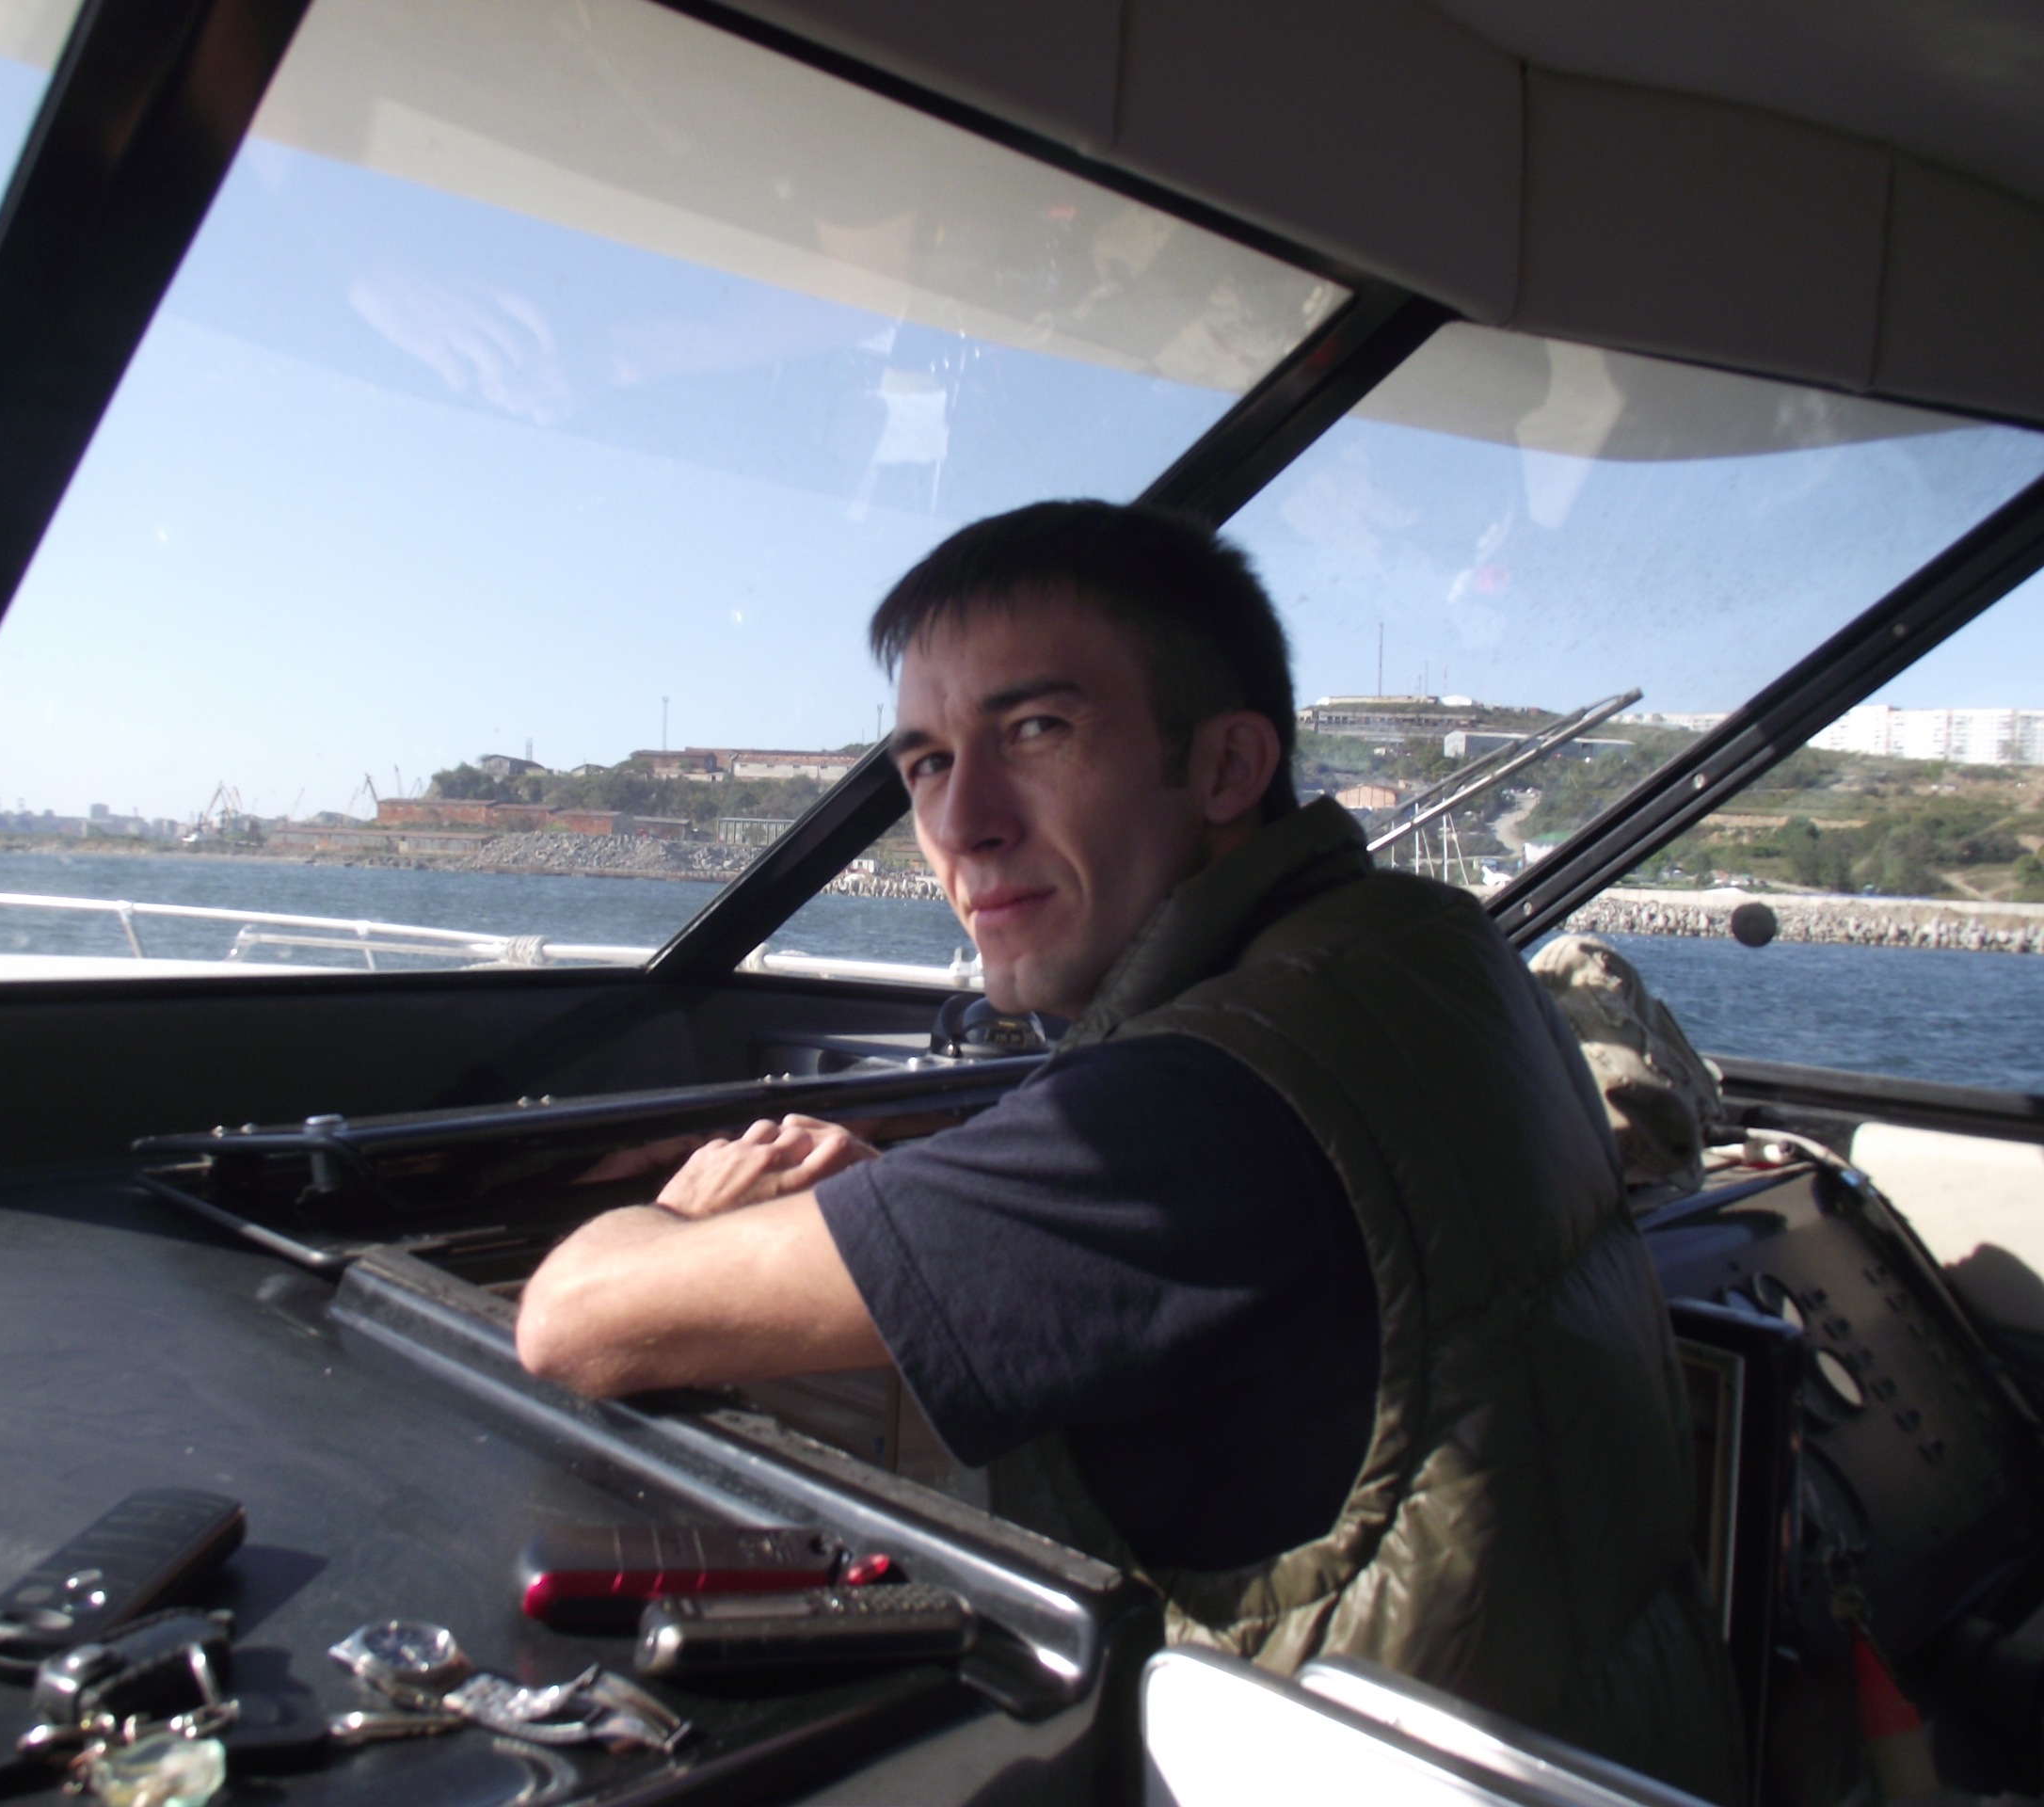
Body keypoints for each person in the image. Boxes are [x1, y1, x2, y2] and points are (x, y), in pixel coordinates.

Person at [516, 502, 1745, 1801]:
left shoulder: (1196, 1104)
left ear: (1226, 768)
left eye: (1036, 730)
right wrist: (921, 1205)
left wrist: (679, 1217)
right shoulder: (1426, 946)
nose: (963, 823)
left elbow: (573, 1321)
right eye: (926, 763)